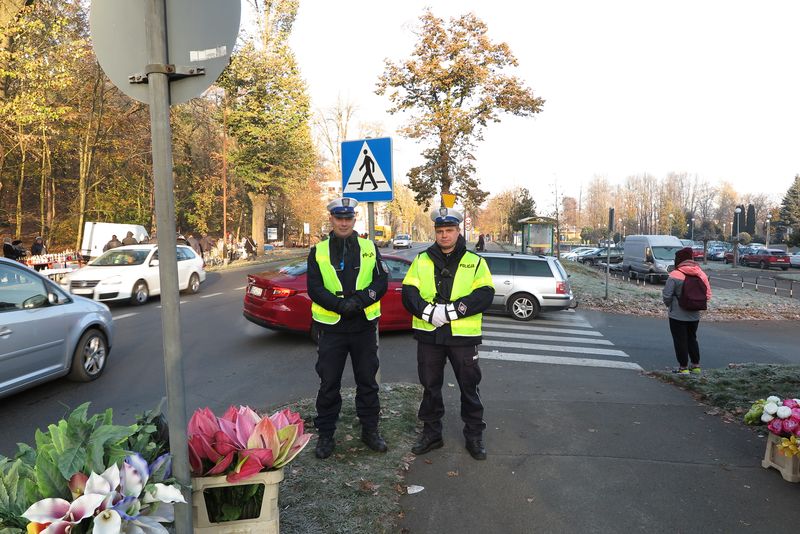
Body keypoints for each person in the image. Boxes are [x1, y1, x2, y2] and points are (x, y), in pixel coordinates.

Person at [401, 207, 495, 460]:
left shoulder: (475, 262)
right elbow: (408, 292)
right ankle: (432, 434)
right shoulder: (422, 260)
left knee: (469, 387)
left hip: (463, 337)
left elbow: (484, 294)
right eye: (440, 231)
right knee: (430, 387)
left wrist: (453, 311)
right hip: (429, 335)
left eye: (449, 230)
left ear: (458, 231)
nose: (444, 235)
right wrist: (428, 313)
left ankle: (474, 436)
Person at [307, 196, 389, 459]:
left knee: (368, 382)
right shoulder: (318, 251)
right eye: (339, 218)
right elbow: (314, 288)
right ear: (331, 219)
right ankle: (326, 435)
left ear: (355, 219)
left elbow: (381, 281)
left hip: (363, 327)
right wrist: (340, 305)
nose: (344, 223)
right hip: (332, 328)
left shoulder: (369, 247)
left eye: (348, 218)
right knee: (329, 384)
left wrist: (361, 301)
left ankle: (370, 431)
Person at [662, 246, 712, 375]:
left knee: (680, 340)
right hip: (694, 315)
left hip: (677, 314)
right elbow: (707, 295)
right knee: (692, 338)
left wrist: (670, 305)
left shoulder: (675, 274)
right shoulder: (701, 273)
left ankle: (683, 368)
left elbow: (667, 295)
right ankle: (696, 366)